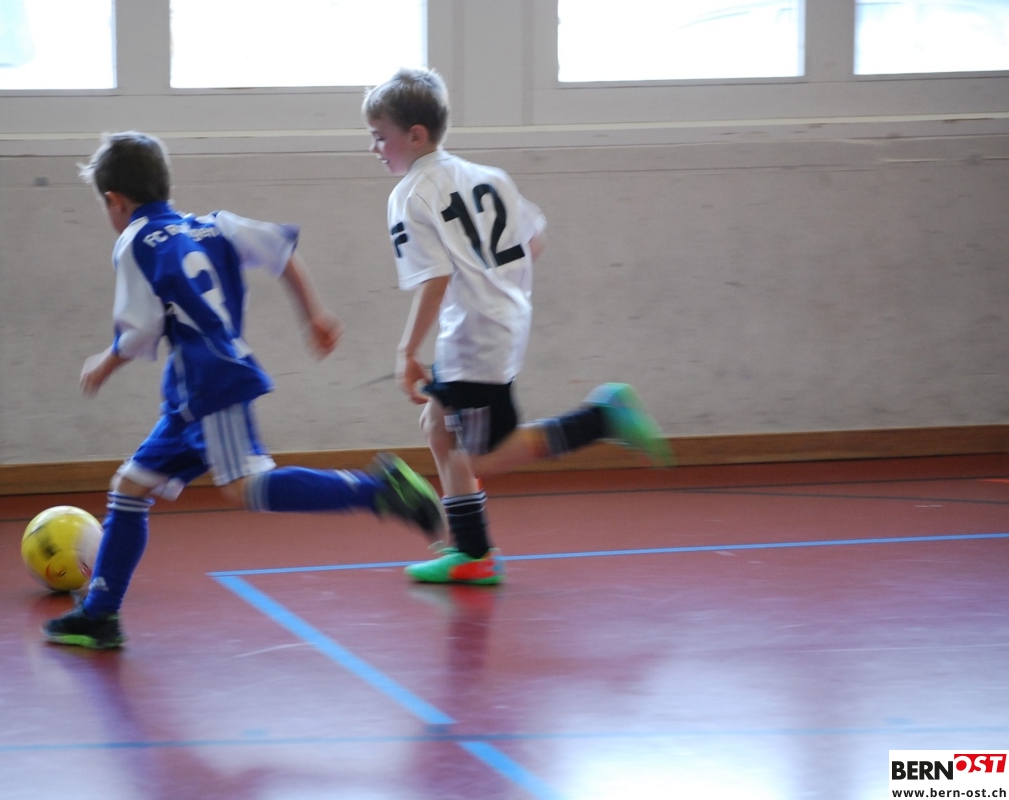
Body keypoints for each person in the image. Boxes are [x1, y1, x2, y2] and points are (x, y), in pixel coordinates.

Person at [43, 131, 444, 649]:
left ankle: (378, 490)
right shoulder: (214, 225)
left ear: (114, 201)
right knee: (130, 488)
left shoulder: (135, 241)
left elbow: (140, 330)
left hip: (212, 383)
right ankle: (99, 615)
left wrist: (106, 362)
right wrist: (313, 314)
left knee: (247, 487)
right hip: (188, 397)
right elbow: (281, 250)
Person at [362, 69, 672, 586]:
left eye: (379, 136)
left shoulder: (410, 194)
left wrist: (406, 351)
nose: (373, 148)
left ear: (415, 134)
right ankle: (472, 551)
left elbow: (434, 279)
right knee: (437, 425)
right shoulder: (489, 176)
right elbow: (534, 241)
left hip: (475, 336)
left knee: (481, 455)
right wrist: (495, 285)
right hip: (500, 319)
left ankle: (600, 418)